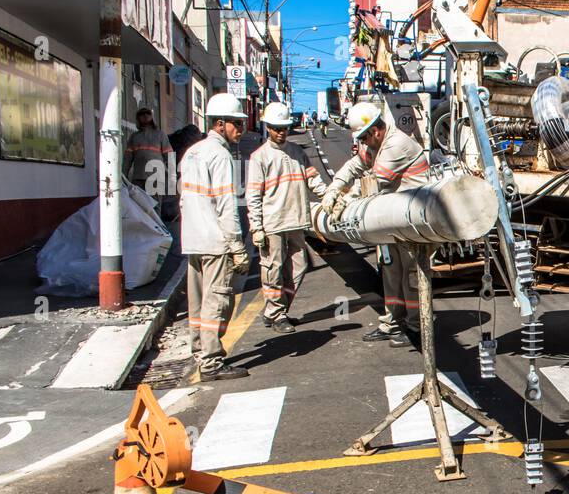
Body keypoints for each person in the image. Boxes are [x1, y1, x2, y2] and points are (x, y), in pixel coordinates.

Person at [320, 101, 430, 348]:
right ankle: (392, 321)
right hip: (391, 220)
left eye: (364, 137)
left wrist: (346, 200)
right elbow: (355, 165)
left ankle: (415, 325)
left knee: (411, 275)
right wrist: (334, 188)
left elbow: (376, 183)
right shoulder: (377, 145)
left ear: (375, 131)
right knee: (391, 272)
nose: (363, 142)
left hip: (412, 222)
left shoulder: (395, 145)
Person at [180, 93, 252, 381]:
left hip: (193, 239)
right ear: (220, 124)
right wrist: (238, 246)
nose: (241, 130)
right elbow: (225, 205)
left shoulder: (193, 152)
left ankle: (199, 351)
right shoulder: (220, 155)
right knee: (217, 300)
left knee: (196, 302)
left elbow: (183, 198)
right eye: (236, 124)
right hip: (214, 241)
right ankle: (211, 362)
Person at [246, 102, 328, 334]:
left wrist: (331, 197)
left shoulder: (297, 153)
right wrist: (256, 228)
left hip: (296, 221)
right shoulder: (259, 157)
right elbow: (253, 195)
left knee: (298, 268)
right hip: (273, 223)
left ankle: (277, 308)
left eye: (284, 127)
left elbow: (314, 182)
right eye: (276, 128)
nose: (281, 132)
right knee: (273, 271)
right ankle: (277, 314)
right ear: (268, 128)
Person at [123, 107, 174, 215]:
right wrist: (123, 176)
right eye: (142, 114)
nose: (145, 116)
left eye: (148, 114)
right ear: (138, 118)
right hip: (138, 178)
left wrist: (173, 176)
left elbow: (169, 155)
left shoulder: (160, 135)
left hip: (156, 177)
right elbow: (127, 159)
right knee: (139, 206)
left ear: (152, 117)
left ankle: (158, 231)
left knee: (155, 206)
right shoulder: (134, 137)